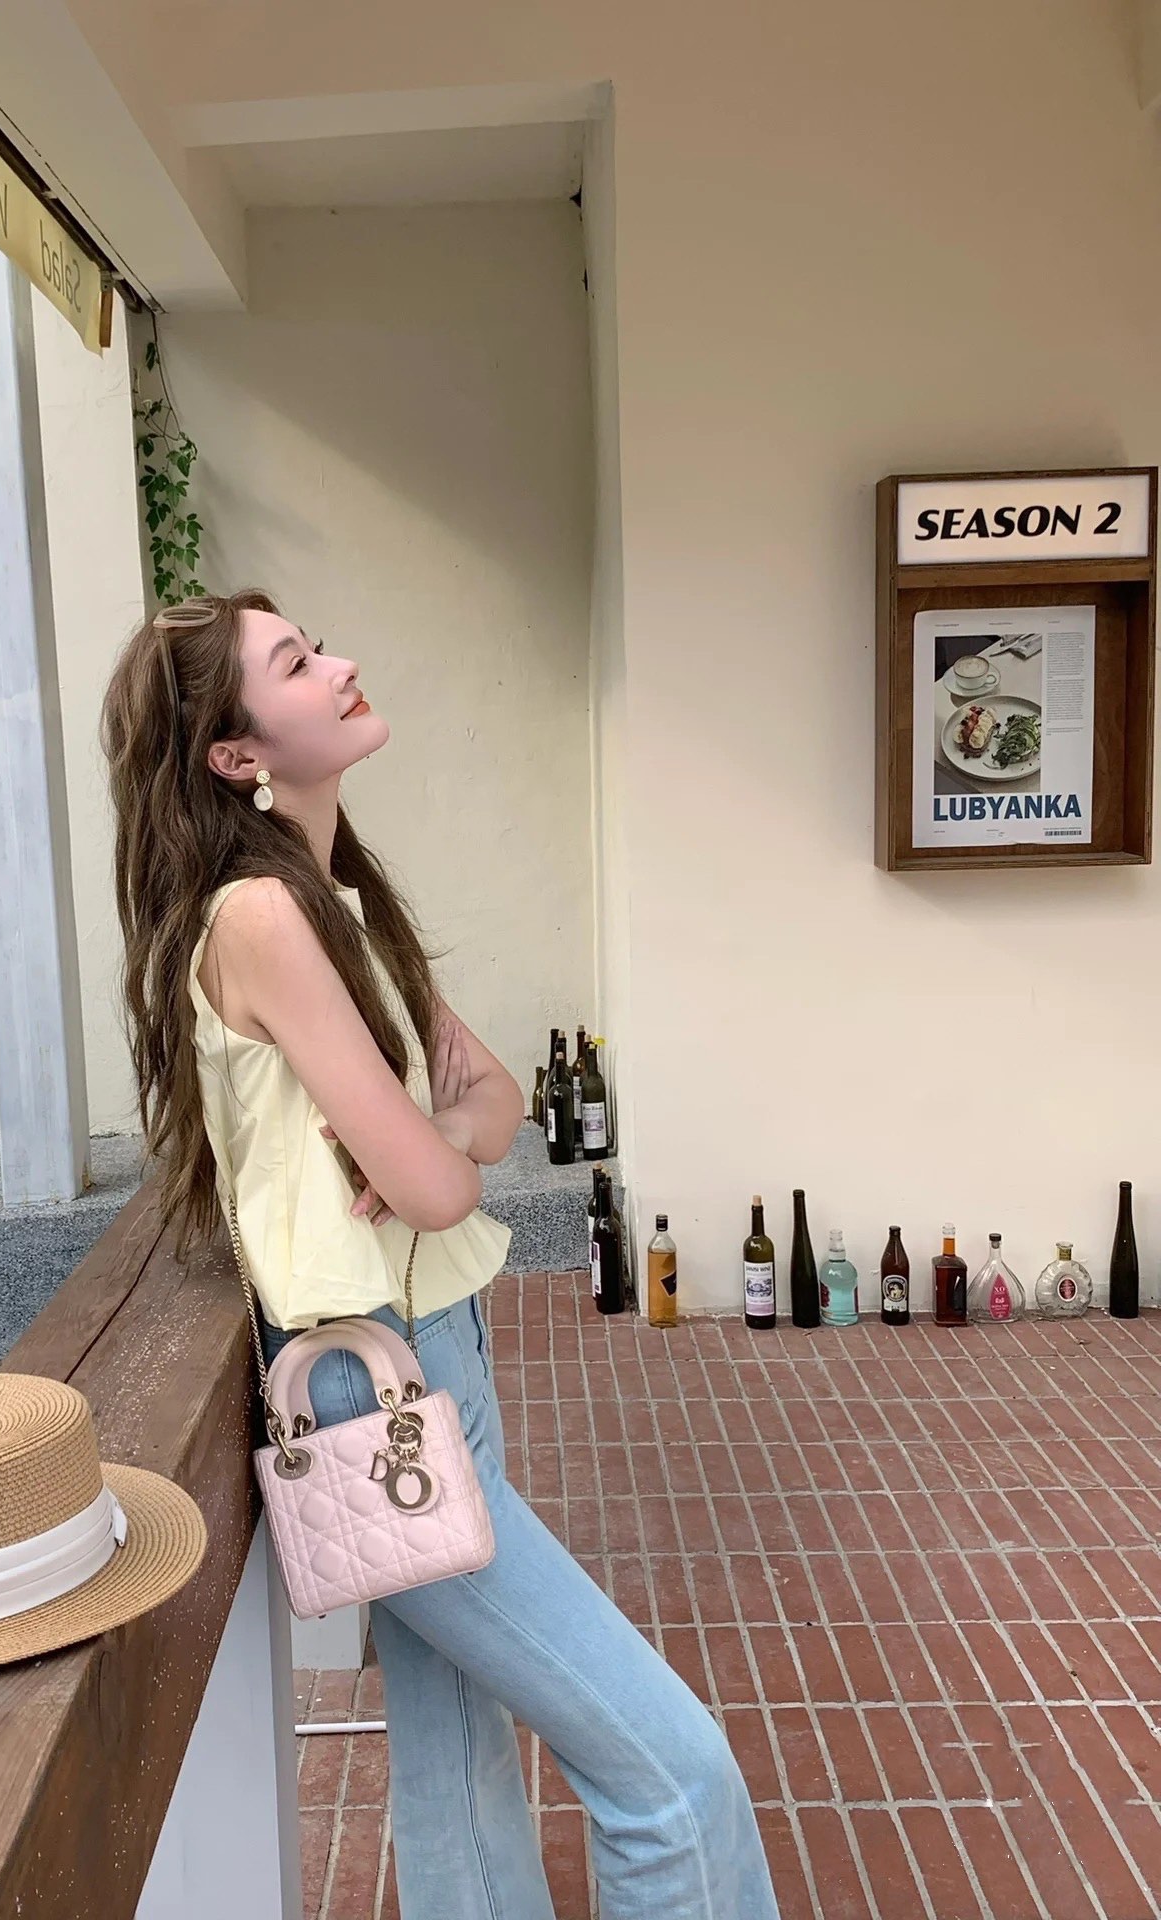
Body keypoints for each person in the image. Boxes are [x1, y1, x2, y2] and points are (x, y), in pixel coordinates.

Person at [100, 590, 779, 1920]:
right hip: (371, 1381)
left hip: (425, 1358)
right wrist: (438, 1150)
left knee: (457, 1752)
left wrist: (440, 1142)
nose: (341, 663)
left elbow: (494, 1104)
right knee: (672, 1779)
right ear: (236, 754)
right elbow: (431, 1178)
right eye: (297, 662)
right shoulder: (258, 918)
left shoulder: (333, 899)